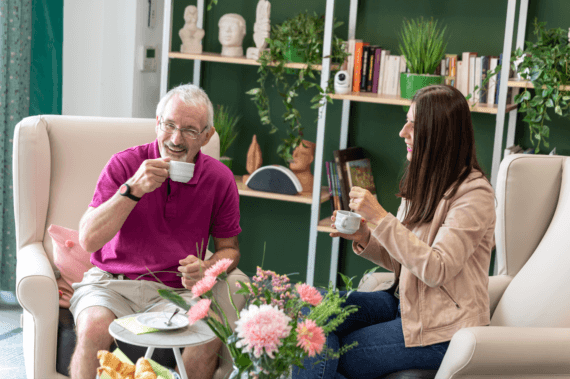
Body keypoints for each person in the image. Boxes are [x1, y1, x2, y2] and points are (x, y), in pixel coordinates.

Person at [293, 85, 496, 379]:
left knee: (334, 351)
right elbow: (405, 262)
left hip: (442, 329)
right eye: (407, 120)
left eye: (414, 124)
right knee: (311, 310)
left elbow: (435, 268)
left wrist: (380, 217)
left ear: (439, 134)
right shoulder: (424, 181)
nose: (403, 132)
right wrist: (364, 236)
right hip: (405, 304)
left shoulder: (474, 194)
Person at [70, 84, 241, 379]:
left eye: (189, 130)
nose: (175, 139)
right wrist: (133, 189)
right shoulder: (124, 164)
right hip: (110, 283)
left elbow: (230, 249)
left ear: (207, 136)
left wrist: (206, 268)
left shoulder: (220, 178)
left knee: (210, 332)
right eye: (170, 125)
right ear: (157, 123)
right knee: (93, 327)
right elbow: (88, 239)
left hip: (174, 290)